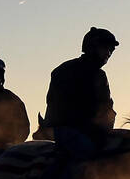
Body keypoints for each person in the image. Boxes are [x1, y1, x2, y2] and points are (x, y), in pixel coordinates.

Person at [43, 27, 118, 160]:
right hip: (64, 129)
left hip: (88, 131)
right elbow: (62, 108)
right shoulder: (65, 71)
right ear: (92, 46)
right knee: (87, 154)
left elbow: (106, 107)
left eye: (111, 49)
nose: (109, 53)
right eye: (105, 47)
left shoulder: (100, 76)